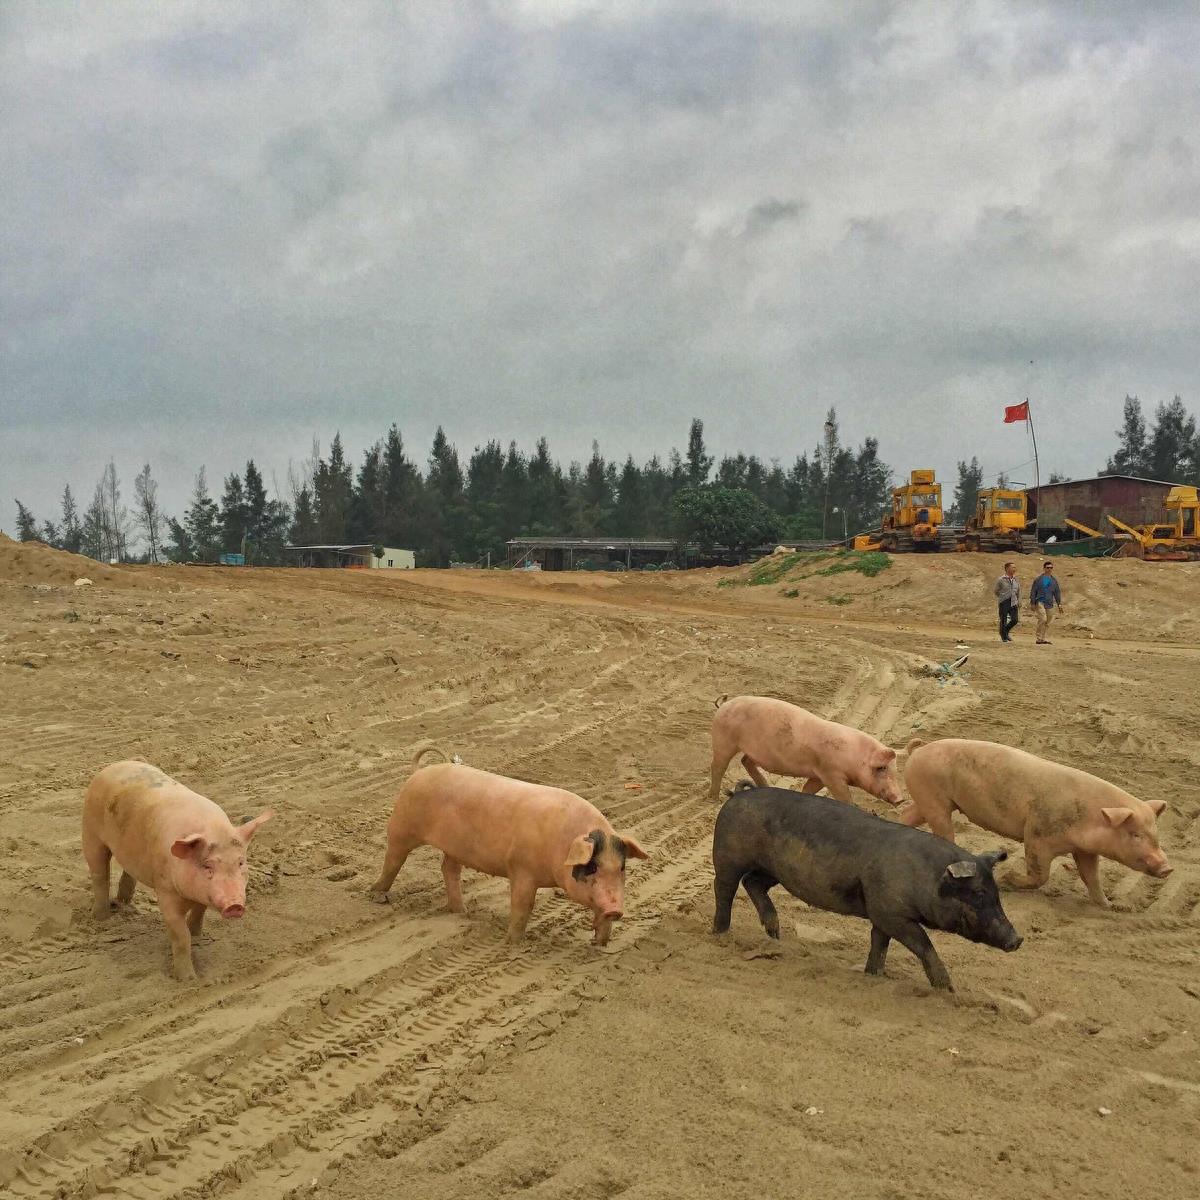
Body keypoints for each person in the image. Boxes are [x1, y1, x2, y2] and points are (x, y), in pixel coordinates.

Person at [1029, 560, 1064, 644]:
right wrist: (1032, 603)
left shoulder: (1054, 581)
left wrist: (1059, 604)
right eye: (1048, 568)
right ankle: (1038, 638)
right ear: (1044, 568)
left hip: (1049, 603)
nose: (1049, 569)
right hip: (1040, 602)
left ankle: (1043, 638)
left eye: (1051, 568)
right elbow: (1033, 591)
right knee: (1043, 619)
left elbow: (1057, 592)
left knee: (1048, 621)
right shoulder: (1038, 580)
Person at [993, 561, 1020, 642]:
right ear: (1007, 568)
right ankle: (1003, 636)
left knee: (1015, 620)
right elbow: (996, 591)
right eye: (1013, 567)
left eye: (1015, 567)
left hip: (1013, 601)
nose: (1014, 569)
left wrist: (1019, 600)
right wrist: (1002, 597)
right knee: (1003, 619)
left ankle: (1005, 631)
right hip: (1004, 601)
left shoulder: (1016, 579)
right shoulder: (1001, 579)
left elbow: (1018, 590)